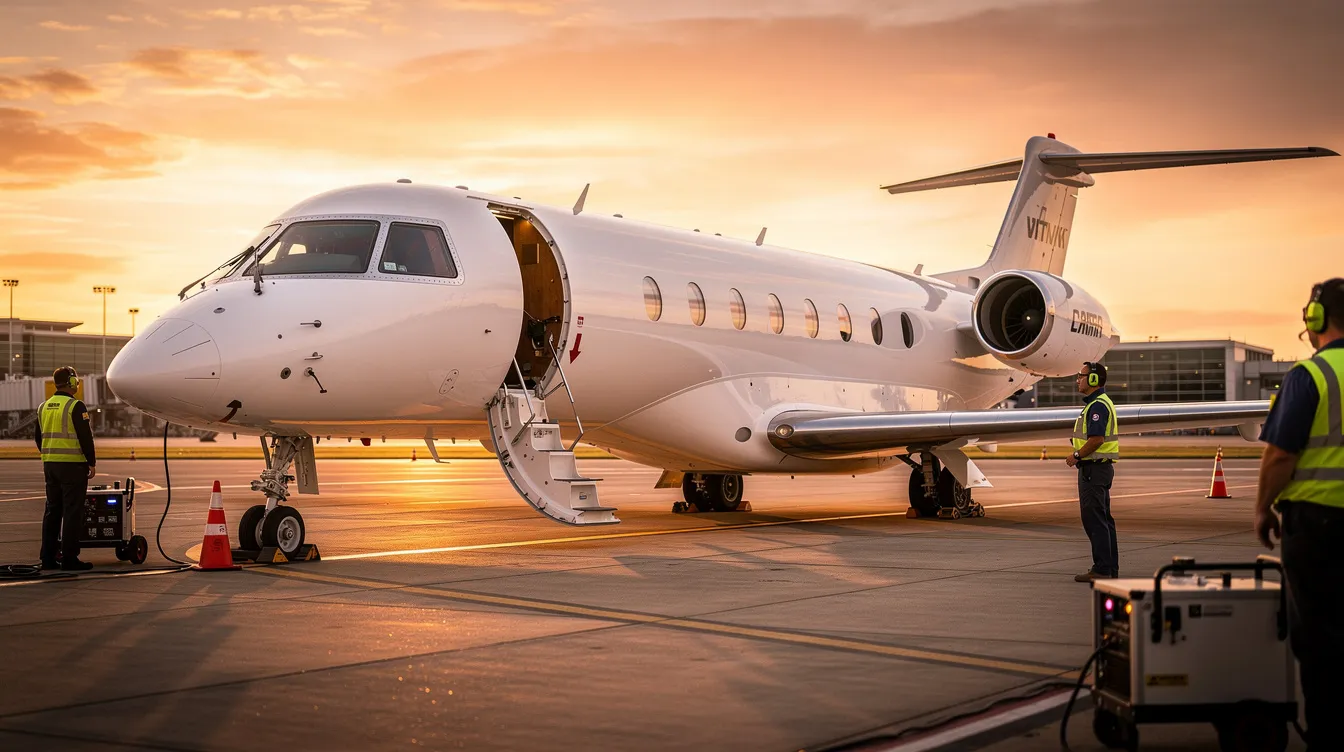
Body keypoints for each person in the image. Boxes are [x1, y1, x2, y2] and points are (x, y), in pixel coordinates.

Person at [1255, 277, 1344, 750]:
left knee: (1321, 640)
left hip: (1319, 528)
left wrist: (1263, 509)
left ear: (1315, 319)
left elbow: (1280, 455)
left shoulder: (1313, 376)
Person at [34, 366, 97, 571]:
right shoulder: (75, 406)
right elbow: (85, 437)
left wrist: (49, 455)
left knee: (52, 511)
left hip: (50, 465)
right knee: (72, 512)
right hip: (73, 467)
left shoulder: (43, 406)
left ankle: (48, 558)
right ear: (71, 382)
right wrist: (91, 462)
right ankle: (70, 558)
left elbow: (38, 437)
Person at [1066, 361, 1120, 582]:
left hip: (1093, 470)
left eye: (1082, 375)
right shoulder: (1098, 404)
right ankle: (1109, 568)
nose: (1077, 379)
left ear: (1094, 380)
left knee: (1095, 521)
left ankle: (1102, 569)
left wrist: (1076, 455)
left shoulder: (1097, 406)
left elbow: (1096, 439)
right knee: (1104, 520)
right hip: (1100, 469)